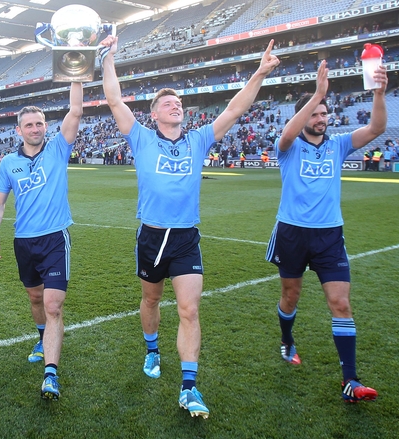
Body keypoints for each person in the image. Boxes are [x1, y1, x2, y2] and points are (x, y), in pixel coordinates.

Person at [101, 35, 280, 419]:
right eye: (167, 103)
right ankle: (152, 350)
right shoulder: (142, 138)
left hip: (186, 238)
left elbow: (234, 110)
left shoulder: (198, 140)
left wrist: (260, 73)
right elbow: (115, 100)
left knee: (189, 309)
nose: (175, 104)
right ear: (155, 114)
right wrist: (107, 59)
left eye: (178, 102)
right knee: (150, 301)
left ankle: (189, 387)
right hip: (151, 236)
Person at [265, 59, 387, 403]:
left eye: (323, 114)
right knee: (291, 296)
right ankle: (287, 341)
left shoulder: (338, 144)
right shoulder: (288, 147)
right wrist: (317, 93)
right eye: (314, 114)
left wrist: (379, 93)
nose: (320, 120)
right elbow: (288, 134)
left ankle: (351, 380)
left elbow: (376, 128)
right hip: (292, 232)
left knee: (340, 302)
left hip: (330, 235)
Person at [0, 82, 83, 401]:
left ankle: (51, 375)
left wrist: (77, 75)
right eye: (28, 124)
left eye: (40, 123)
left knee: (53, 304)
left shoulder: (58, 148)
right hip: (24, 242)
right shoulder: (7, 164)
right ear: (19, 131)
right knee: (34, 298)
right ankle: (42, 338)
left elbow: (76, 111)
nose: (35, 128)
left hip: (55, 238)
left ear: (46, 126)